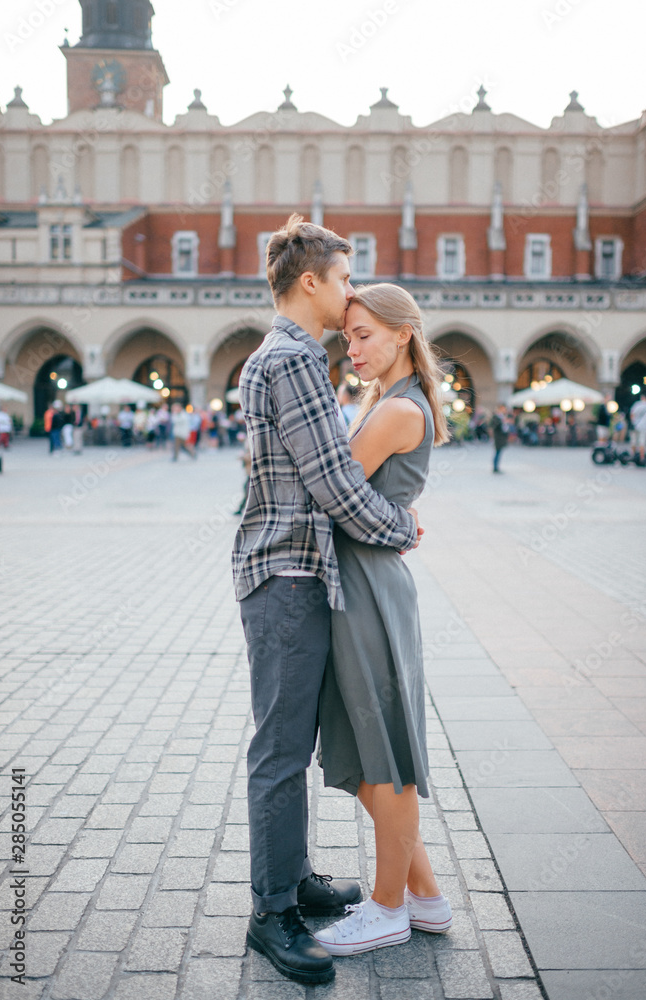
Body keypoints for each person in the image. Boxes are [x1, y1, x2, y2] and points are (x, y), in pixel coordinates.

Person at [232, 215, 420, 986]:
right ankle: (272, 911)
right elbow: (336, 484)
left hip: (291, 573)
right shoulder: (295, 361)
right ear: (309, 281)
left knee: (292, 746)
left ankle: (295, 877)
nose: (349, 295)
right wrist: (400, 525)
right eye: (344, 278)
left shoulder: (285, 357)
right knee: (280, 751)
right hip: (286, 576)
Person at [313, 283, 452, 958]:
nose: (353, 348)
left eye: (364, 334)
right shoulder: (386, 403)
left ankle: (388, 906)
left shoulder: (399, 409)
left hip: (369, 585)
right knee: (371, 749)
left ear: (402, 333)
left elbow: (333, 488)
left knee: (385, 753)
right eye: (347, 337)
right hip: (364, 580)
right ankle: (424, 894)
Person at [490, 404, 511, 472]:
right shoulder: (496, 417)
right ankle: (495, 467)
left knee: (499, 452)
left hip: (502, 437)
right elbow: (493, 425)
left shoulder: (503, 417)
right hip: (498, 437)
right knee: (497, 452)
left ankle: (496, 466)